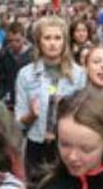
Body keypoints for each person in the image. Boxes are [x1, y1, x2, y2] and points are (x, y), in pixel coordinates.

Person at [14, 16, 87, 178]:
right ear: (39, 42)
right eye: (47, 38)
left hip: (67, 146)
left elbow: (84, 117)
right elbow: (18, 124)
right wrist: (32, 115)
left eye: (57, 38)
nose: (53, 43)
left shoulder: (79, 74)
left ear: (64, 41)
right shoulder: (26, 74)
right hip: (36, 146)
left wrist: (67, 108)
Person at [0, 21, 32, 108]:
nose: (14, 44)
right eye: (10, 41)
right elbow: (0, 79)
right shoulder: (2, 55)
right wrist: (0, 96)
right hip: (9, 97)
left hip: (27, 97)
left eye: (17, 40)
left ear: (24, 38)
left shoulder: (33, 55)